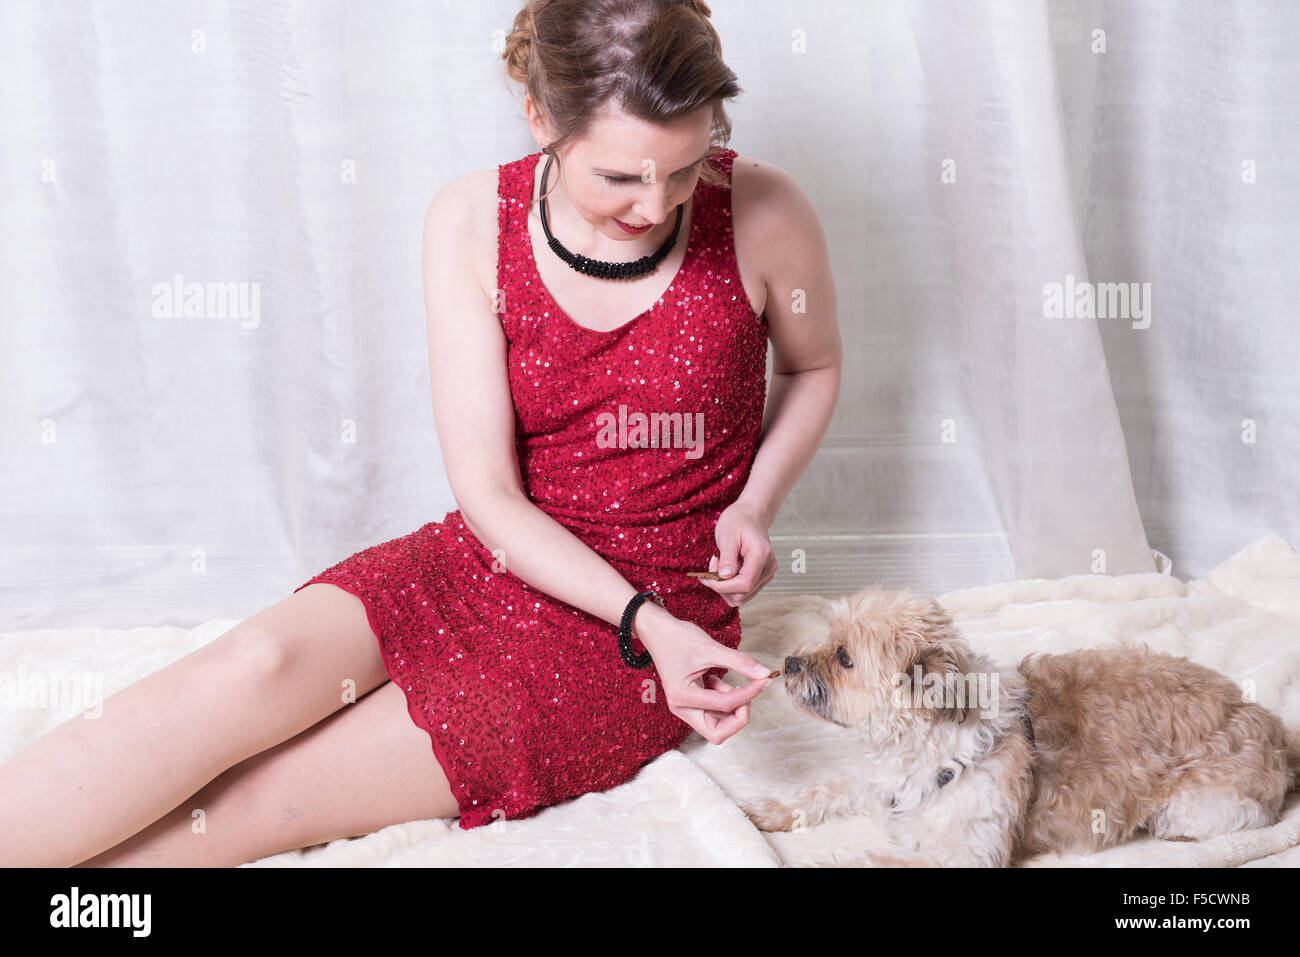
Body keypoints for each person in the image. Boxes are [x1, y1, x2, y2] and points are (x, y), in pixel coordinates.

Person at [0, 0, 840, 867]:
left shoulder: (766, 211)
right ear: (540, 119)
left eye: (683, 168)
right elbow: (487, 493)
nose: (655, 204)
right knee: (248, 664)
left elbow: (814, 368)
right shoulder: (471, 219)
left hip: (657, 627)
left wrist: (754, 503)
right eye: (619, 179)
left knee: (266, 797)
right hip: (494, 555)